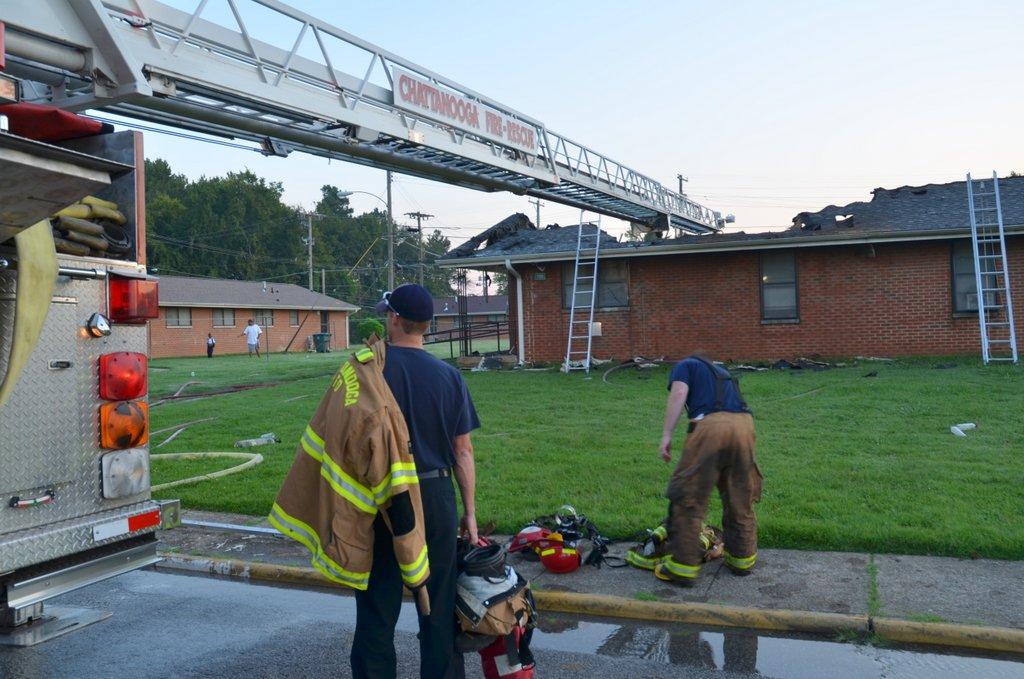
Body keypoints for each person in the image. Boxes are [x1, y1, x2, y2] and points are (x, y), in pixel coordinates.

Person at [351, 284, 480, 679]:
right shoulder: (449, 376)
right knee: (439, 604)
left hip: (385, 497)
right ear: (426, 325)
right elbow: (463, 452)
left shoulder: (369, 372)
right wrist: (470, 514)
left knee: (377, 604)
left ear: (393, 319)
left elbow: (348, 441)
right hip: (437, 495)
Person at [655, 353, 761, 586]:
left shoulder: (684, 365)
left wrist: (666, 435)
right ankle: (741, 560)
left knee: (687, 495)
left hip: (711, 427)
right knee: (739, 496)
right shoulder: (722, 373)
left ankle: (682, 567)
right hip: (744, 426)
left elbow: (679, 393)